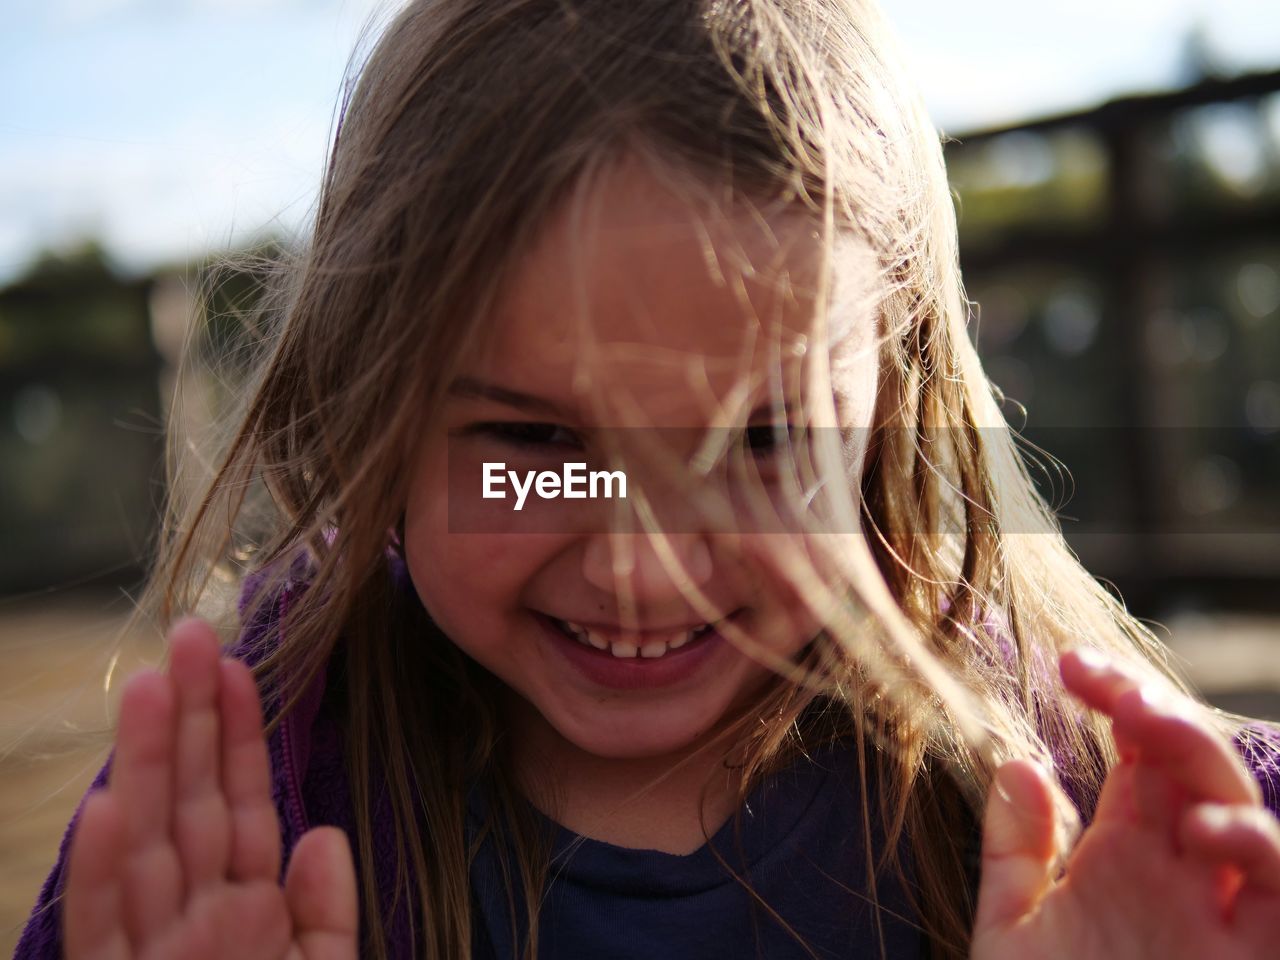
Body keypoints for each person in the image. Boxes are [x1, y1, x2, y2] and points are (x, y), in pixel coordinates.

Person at [16, 0, 1280, 957]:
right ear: (374, 407)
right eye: (532, 446)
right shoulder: (218, 840)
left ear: (891, 407)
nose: (637, 559)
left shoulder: (1118, 841)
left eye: (759, 441)